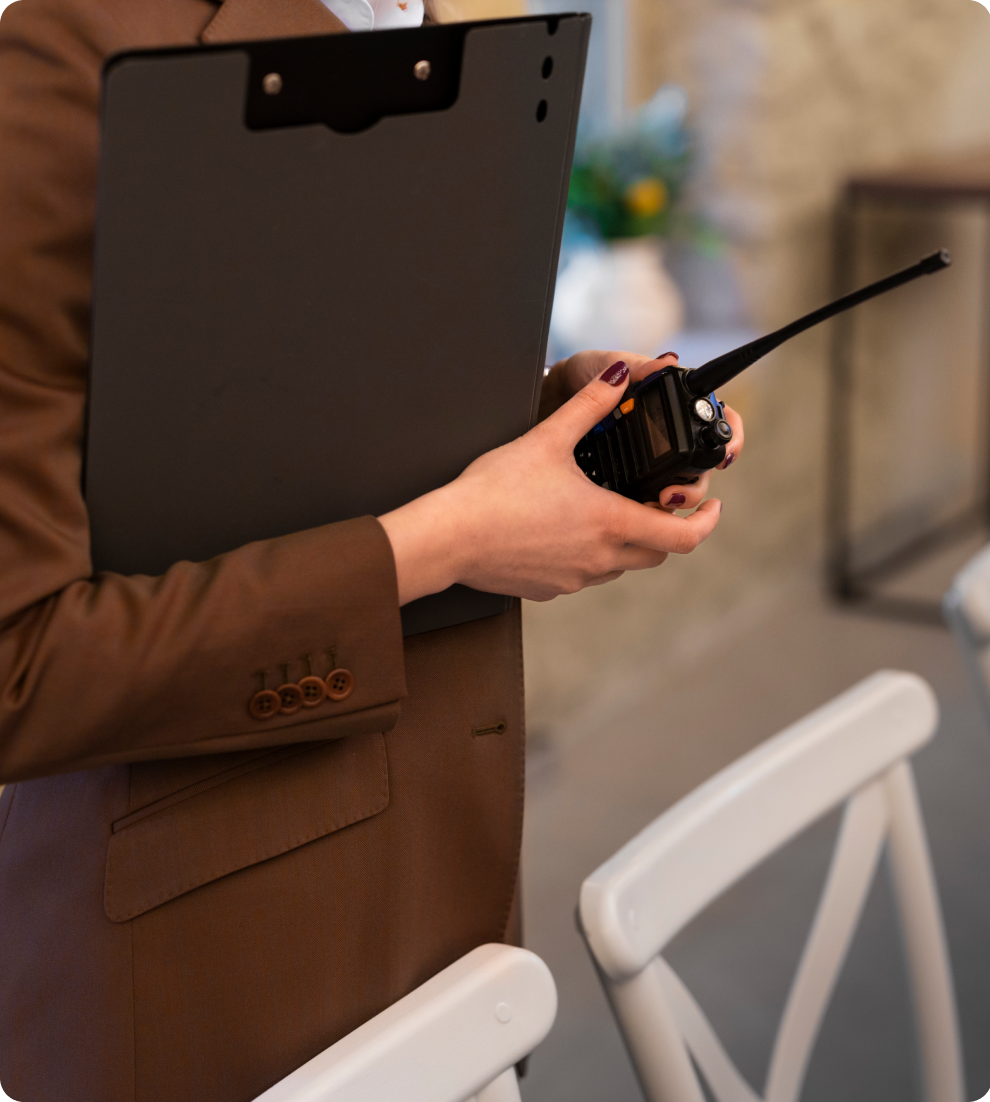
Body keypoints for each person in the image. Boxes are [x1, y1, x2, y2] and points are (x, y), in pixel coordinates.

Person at [0, 0, 743, 1099]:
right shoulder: (58, 40)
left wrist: (560, 423)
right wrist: (451, 540)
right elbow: (21, 665)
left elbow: (302, 415)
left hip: (451, 871)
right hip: (212, 960)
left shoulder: (434, 23)